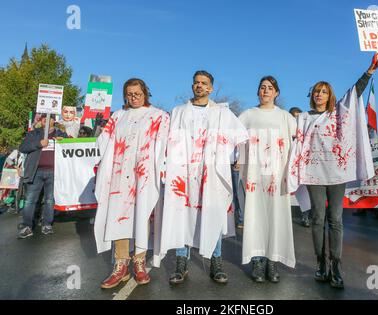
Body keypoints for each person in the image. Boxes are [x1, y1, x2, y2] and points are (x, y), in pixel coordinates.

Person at [288, 52, 378, 289]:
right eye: (316, 91)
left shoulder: (337, 113)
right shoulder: (302, 118)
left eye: (324, 91)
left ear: (329, 96)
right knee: (318, 218)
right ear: (312, 96)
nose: (319, 95)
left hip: (336, 173)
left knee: (336, 220)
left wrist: (370, 70)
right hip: (313, 173)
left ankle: (336, 266)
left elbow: (354, 94)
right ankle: (321, 263)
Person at [159, 70, 248, 285]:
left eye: (204, 83)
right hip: (184, 174)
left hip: (212, 174)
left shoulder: (222, 113)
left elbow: (242, 136)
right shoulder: (178, 111)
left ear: (210, 88)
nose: (199, 86)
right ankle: (182, 262)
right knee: (183, 216)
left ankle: (215, 261)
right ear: (192, 86)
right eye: (196, 82)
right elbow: (165, 141)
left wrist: (240, 159)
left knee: (213, 214)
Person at [94, 78, 170, 289]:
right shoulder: (118, 116)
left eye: (137, 93)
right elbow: (104, 141)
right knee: (118, 216)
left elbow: (165, 144)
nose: (134, 98)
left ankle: (138, 261)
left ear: (145, 93)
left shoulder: (159, 116)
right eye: (129, 94)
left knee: (141, 216)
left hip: (143, 175)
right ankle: (120, 265)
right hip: (119, 174)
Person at [238, 76, 297, 283]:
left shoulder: (285, 118)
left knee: (276, 218)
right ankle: (257, 260)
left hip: (277, 177)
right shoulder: (247, 115)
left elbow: (303, 141)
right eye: (262, 87)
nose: (265, 91)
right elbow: (234, 140)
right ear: (258, 92)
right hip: (254, 177)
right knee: (254, 218)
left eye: (270, 88)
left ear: (276, 93)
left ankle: (272, 261)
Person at [17, 114, 68, 238]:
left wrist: (64, 143)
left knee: (50, 200)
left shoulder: (61, 134)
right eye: (43, 118)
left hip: (54, 172)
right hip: (35, 171)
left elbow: (71, 148)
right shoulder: (33, 134)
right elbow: (23, 147)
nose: (45, 119)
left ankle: (47, 224)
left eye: (49, 117)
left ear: (54, 120)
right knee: (30, 200)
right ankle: (27, 226)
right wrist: (39, 143)